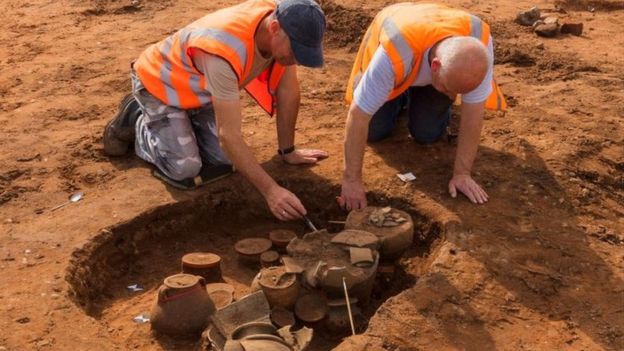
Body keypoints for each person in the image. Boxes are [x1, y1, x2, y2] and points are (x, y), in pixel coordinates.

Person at [103, 0, 328, 221]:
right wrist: (271, 191)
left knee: (223, 160)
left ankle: (182, 125)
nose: (297, 60)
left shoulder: (285, 18)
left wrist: (287, 151)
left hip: (201, 90)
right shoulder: (225, 51)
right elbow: (228, 136)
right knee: (185, 168)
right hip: (160, 85)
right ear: (275, 29)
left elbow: (287, 91)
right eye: (296, 50)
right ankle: (137, 118)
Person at [339, 2, 507, 210]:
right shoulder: (395, 53)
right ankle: (399, 94)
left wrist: (462, 174)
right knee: (375, 131)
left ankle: (417, 95)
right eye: (449, 90)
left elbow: (473, 113)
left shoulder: (477, 50)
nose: (453, 96)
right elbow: (358, 115)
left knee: (427, 134)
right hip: (400, 59)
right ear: (436, 66)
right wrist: (351, 180)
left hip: (432, 66)